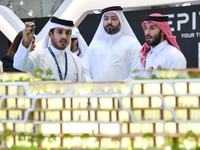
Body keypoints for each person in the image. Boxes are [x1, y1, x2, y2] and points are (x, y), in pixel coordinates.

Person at [13, 17, 85, 82]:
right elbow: (19, 65)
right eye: (60, 32)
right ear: (50, 34)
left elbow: (82, 88)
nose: (64, 36)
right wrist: (26, 41)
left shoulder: (75, 60)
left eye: (68, 33)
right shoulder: (39, 57)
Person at [83, 6, 141, 82]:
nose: (109, 22)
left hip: (123, 93)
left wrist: (118, 90)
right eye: (106, 19)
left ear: (120, 22)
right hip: (96, 92)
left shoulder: (132, 43)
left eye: (113, 19)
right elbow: (85, 71)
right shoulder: (94, 44)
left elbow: (136, 73)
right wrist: (93, 89)